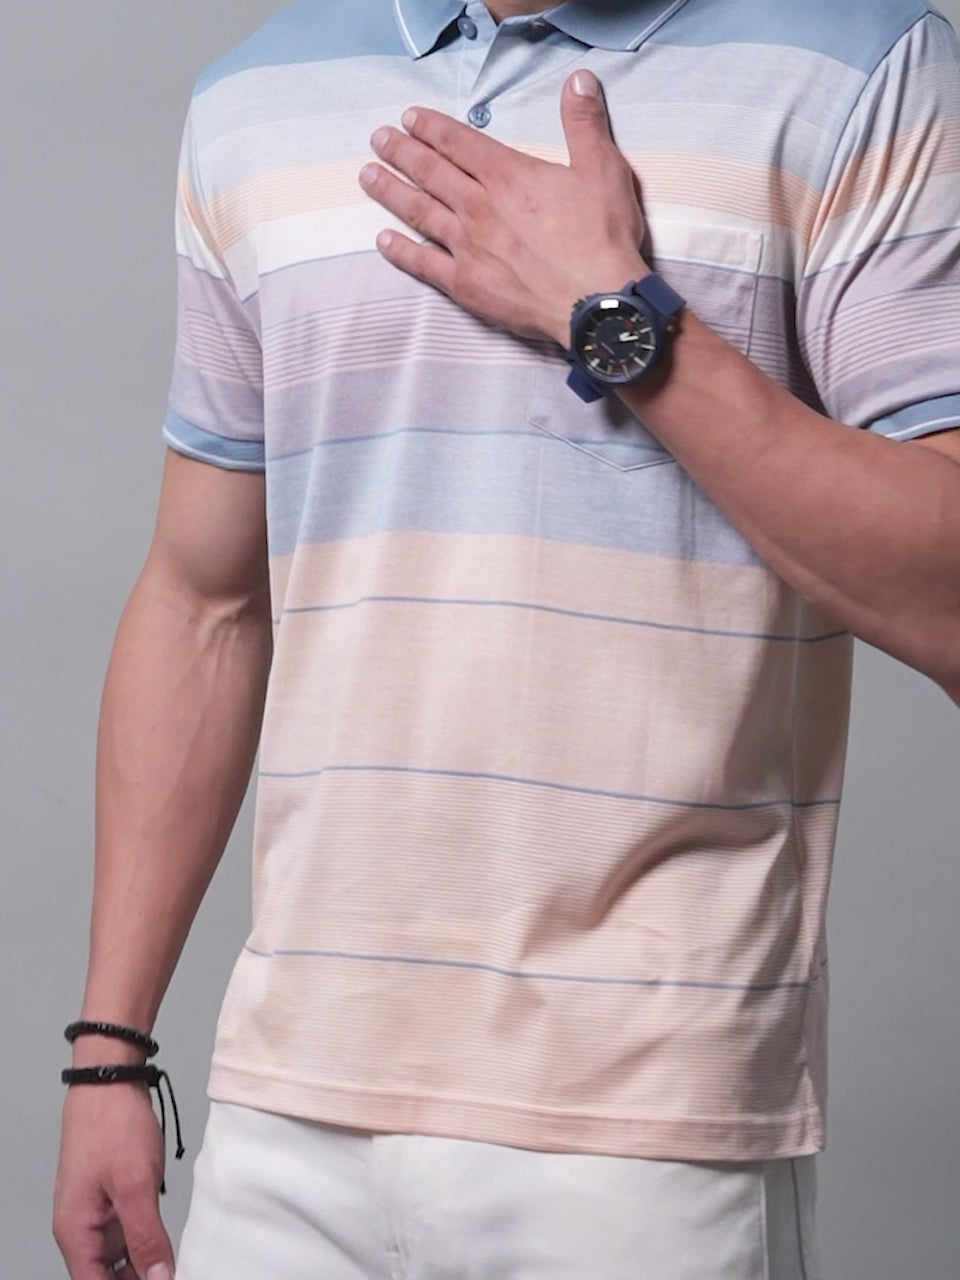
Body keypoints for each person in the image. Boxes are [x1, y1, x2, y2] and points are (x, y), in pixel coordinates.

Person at [54, 0, 960, 1277]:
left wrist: (617, 319)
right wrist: (110, 1047)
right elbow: (204, 603)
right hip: (288, 1108)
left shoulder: (861, 68)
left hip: (643, 1127)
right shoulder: (255, 100)